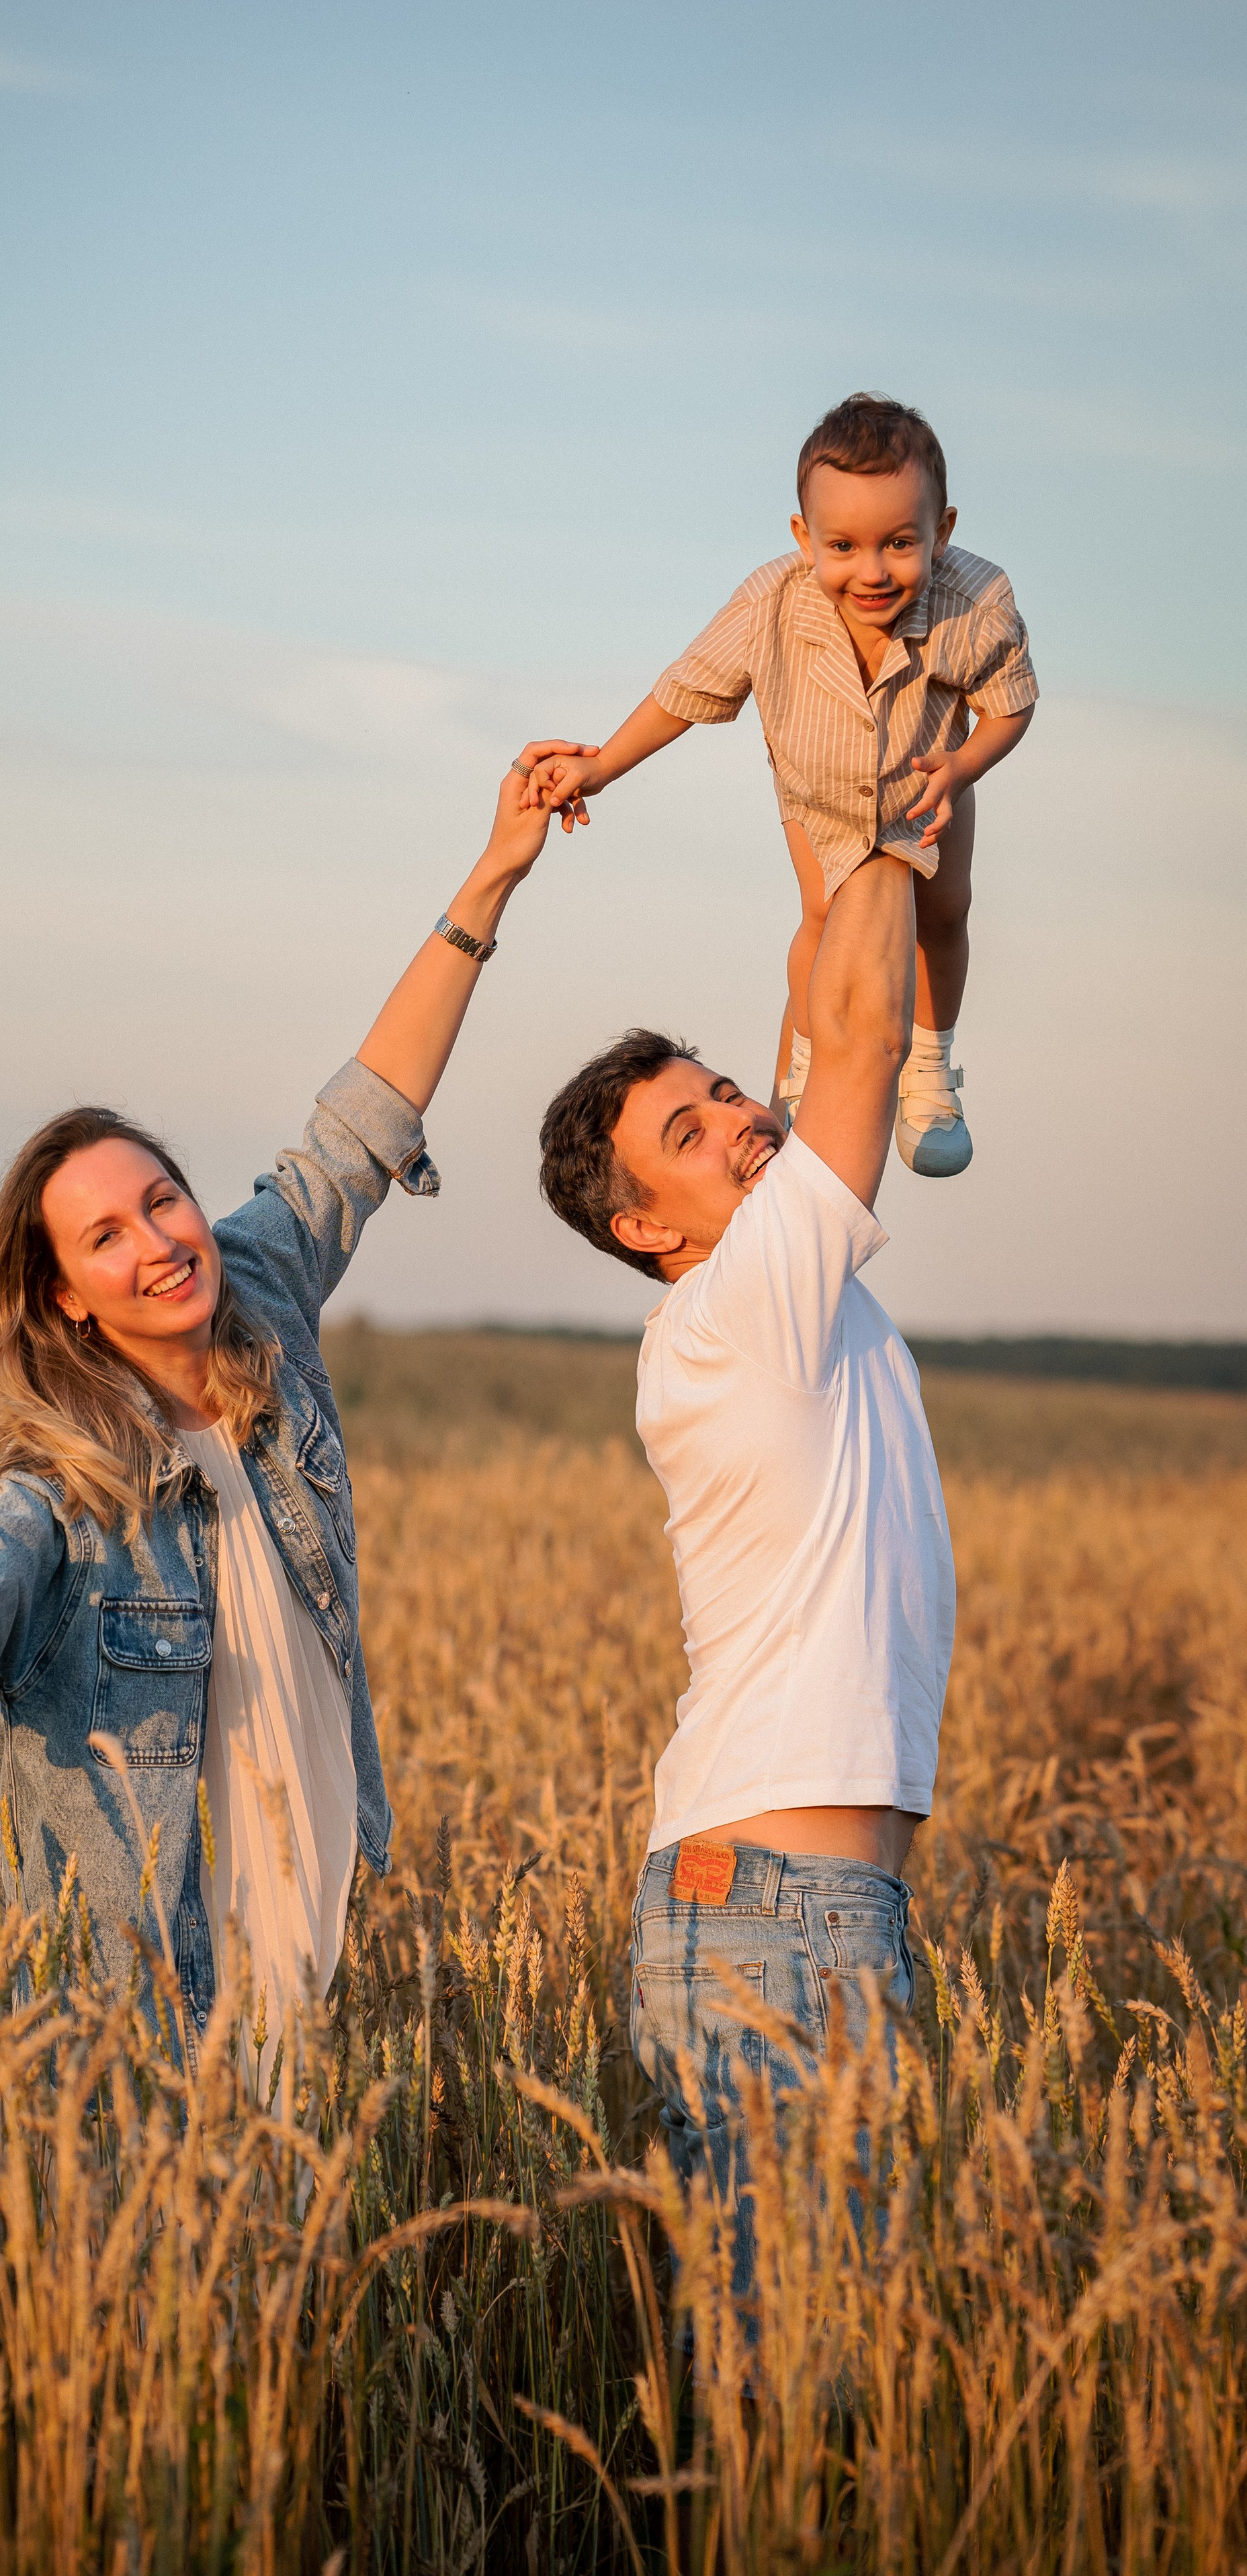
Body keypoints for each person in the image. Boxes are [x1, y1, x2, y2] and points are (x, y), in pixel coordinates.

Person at [0, 752, 585, 2091]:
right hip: (148, 2019)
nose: (156, 1240)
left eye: (163, 1198)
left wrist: (491, 871)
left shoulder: (259, 1287)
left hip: (319, 1954)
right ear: (65, 1298)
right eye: (106, 1234)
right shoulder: (62, 1490)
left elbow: (360, 1124)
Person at [537, 844, 953, 2255]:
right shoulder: (735, 1309)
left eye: (721, 1091)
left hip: (805, 1905)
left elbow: (820, 990)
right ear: (646, 1226)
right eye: (684, 1131)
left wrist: (838, 826)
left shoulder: (777, 1283)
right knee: (806, 2377)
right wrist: (892, 821)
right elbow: (857, 1030)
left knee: (828, 2371)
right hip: (775, 1911)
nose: (730, 1117)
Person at [519, 392, 1037, 1176]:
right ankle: (801, 1063)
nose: (872, 570)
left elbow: (1009, 707)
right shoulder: (769, 602)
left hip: (929, 785)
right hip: (817, 796)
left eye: (900, 543)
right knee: (822, 917)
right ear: (804, 538)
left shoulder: (977, 603)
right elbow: (683, 693)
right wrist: (601, 765)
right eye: (844, 545)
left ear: (944, 531)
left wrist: (963, 767)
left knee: (946, 913)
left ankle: (930, 1071)